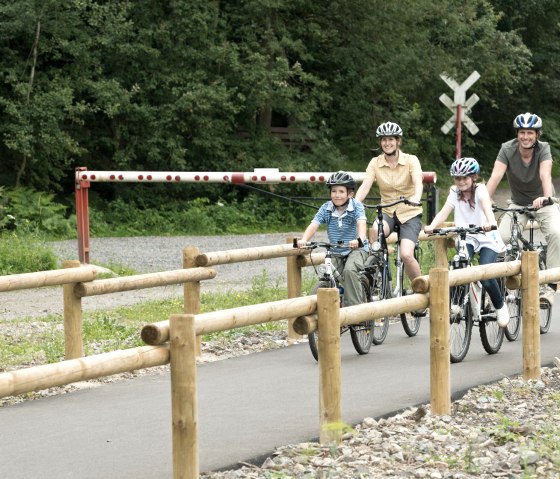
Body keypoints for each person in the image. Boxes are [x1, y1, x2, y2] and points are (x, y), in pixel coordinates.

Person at [424, 157, 510, 327]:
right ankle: (456, 303)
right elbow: (444, 212)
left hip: (486, 237)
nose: (461, 182)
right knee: (459, 263)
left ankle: (500, 305)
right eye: (458, 178)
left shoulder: (480, 190)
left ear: (473, 177)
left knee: (485, 273)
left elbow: (487, 208)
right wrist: (432, 226)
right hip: (468, 236)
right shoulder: (454, 192)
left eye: (465, 178)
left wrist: (490, 223)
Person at [486, 112, 560, 306]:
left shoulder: (543, 149)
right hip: (518, 203)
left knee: (556, 232)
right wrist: (486, 200)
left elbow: (545, 174)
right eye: (522, 132)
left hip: (543, 202)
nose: (526, 137)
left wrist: (545, 197)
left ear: (537, 135)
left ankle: (550, 285)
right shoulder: (507, 149)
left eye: (530, 133)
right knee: (501, 238)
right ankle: (498, 284)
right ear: (517, 134)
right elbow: (495, 176)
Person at [355, 121, 425, 316]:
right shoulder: (375, 163)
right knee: (375, 231)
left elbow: (418, 182)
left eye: (391, 139)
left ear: (398, 141)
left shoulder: (411, 160)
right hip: (387, 211)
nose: (387, 143)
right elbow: (365, 185)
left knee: (406, 254)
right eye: (384, 140)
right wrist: (354, 204)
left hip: (409, 213)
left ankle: (420, 292)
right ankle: (378, 274)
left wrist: (416, 198)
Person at [297, 171, 368, 307]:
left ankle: (355, 311)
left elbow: (361, 223)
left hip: (357, 249)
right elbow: (314, 224)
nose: (337, 195)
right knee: (327, 274)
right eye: (334, 191)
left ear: (350, 194)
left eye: (341, 191)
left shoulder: (356, 206)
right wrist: (304, 239)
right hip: (336, 250)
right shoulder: (326, 208)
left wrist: (359, 240)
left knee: (349, 271)